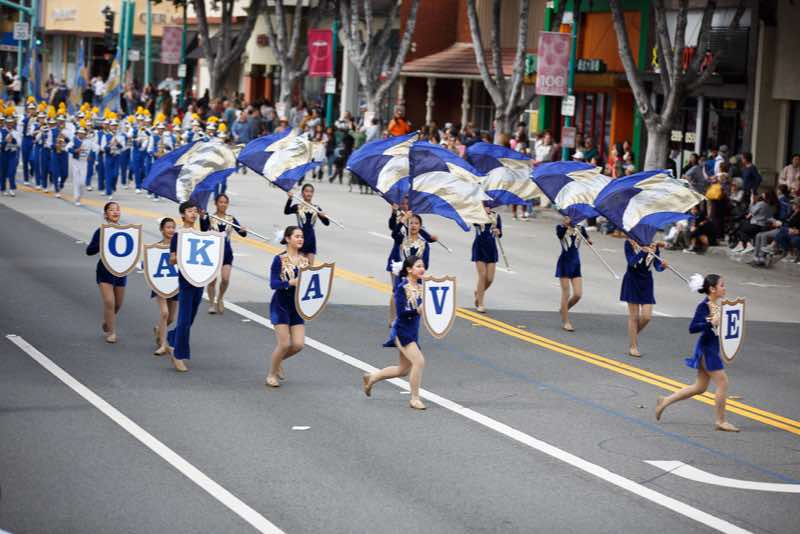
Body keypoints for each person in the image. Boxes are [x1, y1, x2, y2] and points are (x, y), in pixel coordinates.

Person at [655, 274, 739, 432]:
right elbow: (692, 328)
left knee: (700, 387)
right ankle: (720, 421)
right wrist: (710, 322)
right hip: (707, 350)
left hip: (712, 348)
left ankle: (665, 400)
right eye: (722, 285)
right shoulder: (704, 306)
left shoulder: (718, 306)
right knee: (722, 382)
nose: (724, 288)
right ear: (712, 289)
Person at [362, 255, 428, 410]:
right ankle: (414, 398)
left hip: (413, 331)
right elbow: (401, 313)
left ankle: (372, 377)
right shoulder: (402, 288)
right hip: (402, 331)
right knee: (419, 362)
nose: (422, 269)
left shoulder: (421, 287)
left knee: (403, 370)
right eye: (418, 266)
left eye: (423, 266)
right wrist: (416, 310)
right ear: (409, 269)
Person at [265, 226, 308, 388]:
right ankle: (271, 374)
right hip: (281, 304)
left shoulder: (305, 261)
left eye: (301, 236)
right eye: (297, 236)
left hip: (297, 306)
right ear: (288, 239)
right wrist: (290, 282)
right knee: (284, 344)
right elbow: (273, 283)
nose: (300, 239)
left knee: (298, 345)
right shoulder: (279, 259)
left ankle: (278, 361)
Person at [166, 201, 205, 373]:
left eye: (195, 211)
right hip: (186, 280)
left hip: (200, 279)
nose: (193, 214)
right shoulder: (178, 235)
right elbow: (171, 259)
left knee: (190, 318)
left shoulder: (201, 234)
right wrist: (183, 254)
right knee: (184, 318)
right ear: (182, 214)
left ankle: (172, 337)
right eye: (190, 211)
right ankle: (178, 354)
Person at [386, 202, 437, 323]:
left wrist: (417, 269)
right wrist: (403, 219)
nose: (413, 225)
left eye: (416, 223)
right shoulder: (401, 239)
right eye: (411, 223)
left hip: (416, 276)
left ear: (420, 226)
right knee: (398, 294)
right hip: (403, 274)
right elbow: (394, 233)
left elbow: (426, 264)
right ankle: (394, 319)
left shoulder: (424, 244)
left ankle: (411, 320)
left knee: (415, 298)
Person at [85, 202, 127, 344]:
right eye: (111, 210)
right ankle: (112, 332)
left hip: (121, 271)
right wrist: (101, 243)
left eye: (117, 210)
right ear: (106, 214)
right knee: (109, 302)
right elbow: (89, 251)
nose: (115, 212)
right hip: (105, 270)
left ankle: (107, 320)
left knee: (117, 305)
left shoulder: (126, 231)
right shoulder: (101, 231)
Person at [200, 193, 247, 314]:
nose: (223, 204)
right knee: (212, 281)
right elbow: (203, 230)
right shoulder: (210, 217)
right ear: (216, 204)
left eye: (225, 202)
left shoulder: (231, 219)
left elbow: (242, 234)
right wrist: (201, 218)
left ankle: (220, 297)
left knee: (225, 279)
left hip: (227, 253)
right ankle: (211, 304)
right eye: (220, 202)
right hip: (212, 253)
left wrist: (243, 230)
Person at [620, 239, 667, 357]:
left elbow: (657, 265)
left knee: (647, 317)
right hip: (632, 280)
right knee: (634, 317)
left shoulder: (653, 244)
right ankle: (633, 346)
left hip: (647, 282)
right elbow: (631, 262)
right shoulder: (629, 243)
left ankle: (632, 336)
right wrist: (642, 252)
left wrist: (662, 266)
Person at [555, 217, 590, 331]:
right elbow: (560, 235)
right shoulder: (560, 228)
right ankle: (566, 322)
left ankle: (563, 309)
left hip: (576, 264)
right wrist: (565, 225)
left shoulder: (580, 228)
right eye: (566, 217)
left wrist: (589, 241)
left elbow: (587, 239)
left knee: (578, 295)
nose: (568, 219)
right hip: (564, 263)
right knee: (566, 294)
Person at [284, 184, 329, 265]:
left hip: (311, 238)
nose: (309, 193)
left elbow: (327, 223)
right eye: (306, 191)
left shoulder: (316, 208)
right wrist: (290, 199)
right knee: (299, 265)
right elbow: (286, 211)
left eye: (311, 192)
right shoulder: (298, 207)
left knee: (310, 266)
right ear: (302, 193)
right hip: (301, 237)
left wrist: (324, 216)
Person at [152, 218, 179, 356]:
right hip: (160, 283)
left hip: (175, 284)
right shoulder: (155, 248)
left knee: (171, 318)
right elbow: (148, 265)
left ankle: (159, 329)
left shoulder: (179, 247)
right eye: (168, 227)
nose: (171, 230)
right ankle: (163, 345)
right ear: (162, 229)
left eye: (173, 227)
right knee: (164, 313)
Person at [472, 203, 502, 313]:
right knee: (482, 275)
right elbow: (475, 223)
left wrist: (498, 232)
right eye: (485, 206)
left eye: (489, 206)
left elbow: (500, 233)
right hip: (479, 247)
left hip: (491, 248)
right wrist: (484, 214)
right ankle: (480, 303)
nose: (488, 208)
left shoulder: (496, 216)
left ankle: (478, 293)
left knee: (489, 279)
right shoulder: (477, 215)